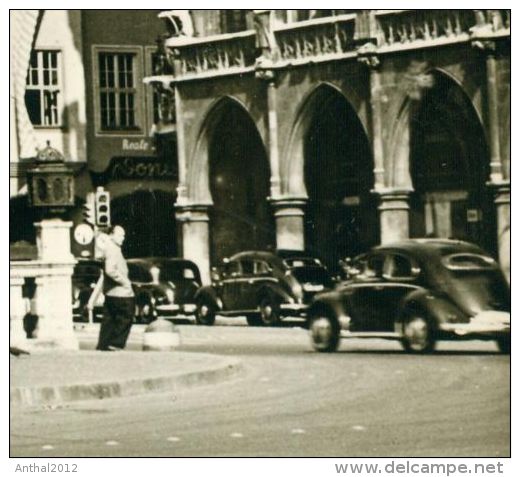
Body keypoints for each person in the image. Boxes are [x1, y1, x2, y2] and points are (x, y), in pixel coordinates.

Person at [96, 225, 135, 351]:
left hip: (110, 292)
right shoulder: (113, 249)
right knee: (126, 316)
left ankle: (103, 344)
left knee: (109, 320)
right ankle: (115, 343)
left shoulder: (108, 247)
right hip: (121, 292)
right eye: (120, 235)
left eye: (123, 235)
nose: (123, 238)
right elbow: (110, 270)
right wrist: (125, 282)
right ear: (111, 235)